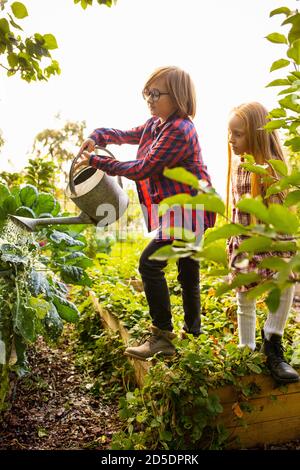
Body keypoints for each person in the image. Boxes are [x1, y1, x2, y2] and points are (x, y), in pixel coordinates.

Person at [76, 66, 216, 360]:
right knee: (188, 271)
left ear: (177, 96)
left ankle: (162, 337)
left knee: (150, 265)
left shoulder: (180, 129)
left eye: (156, 93)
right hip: (177, 210)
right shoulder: (156, 124)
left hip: (189, 210)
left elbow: (144, 168)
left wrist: (99, 163)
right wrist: (97, 136)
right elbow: (125, 135)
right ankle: (193, 334)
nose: (150, 99)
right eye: (147, 93)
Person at [227, 101, 299, 384]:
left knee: (284, 285)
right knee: (244, 297)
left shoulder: (271, 168)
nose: (231, 139)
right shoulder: (239, 165)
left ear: (257, 134)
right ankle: (246, 350)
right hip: (243, 243)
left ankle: (272, 344)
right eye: (230, 133)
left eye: (238, 133)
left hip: (271, 243)